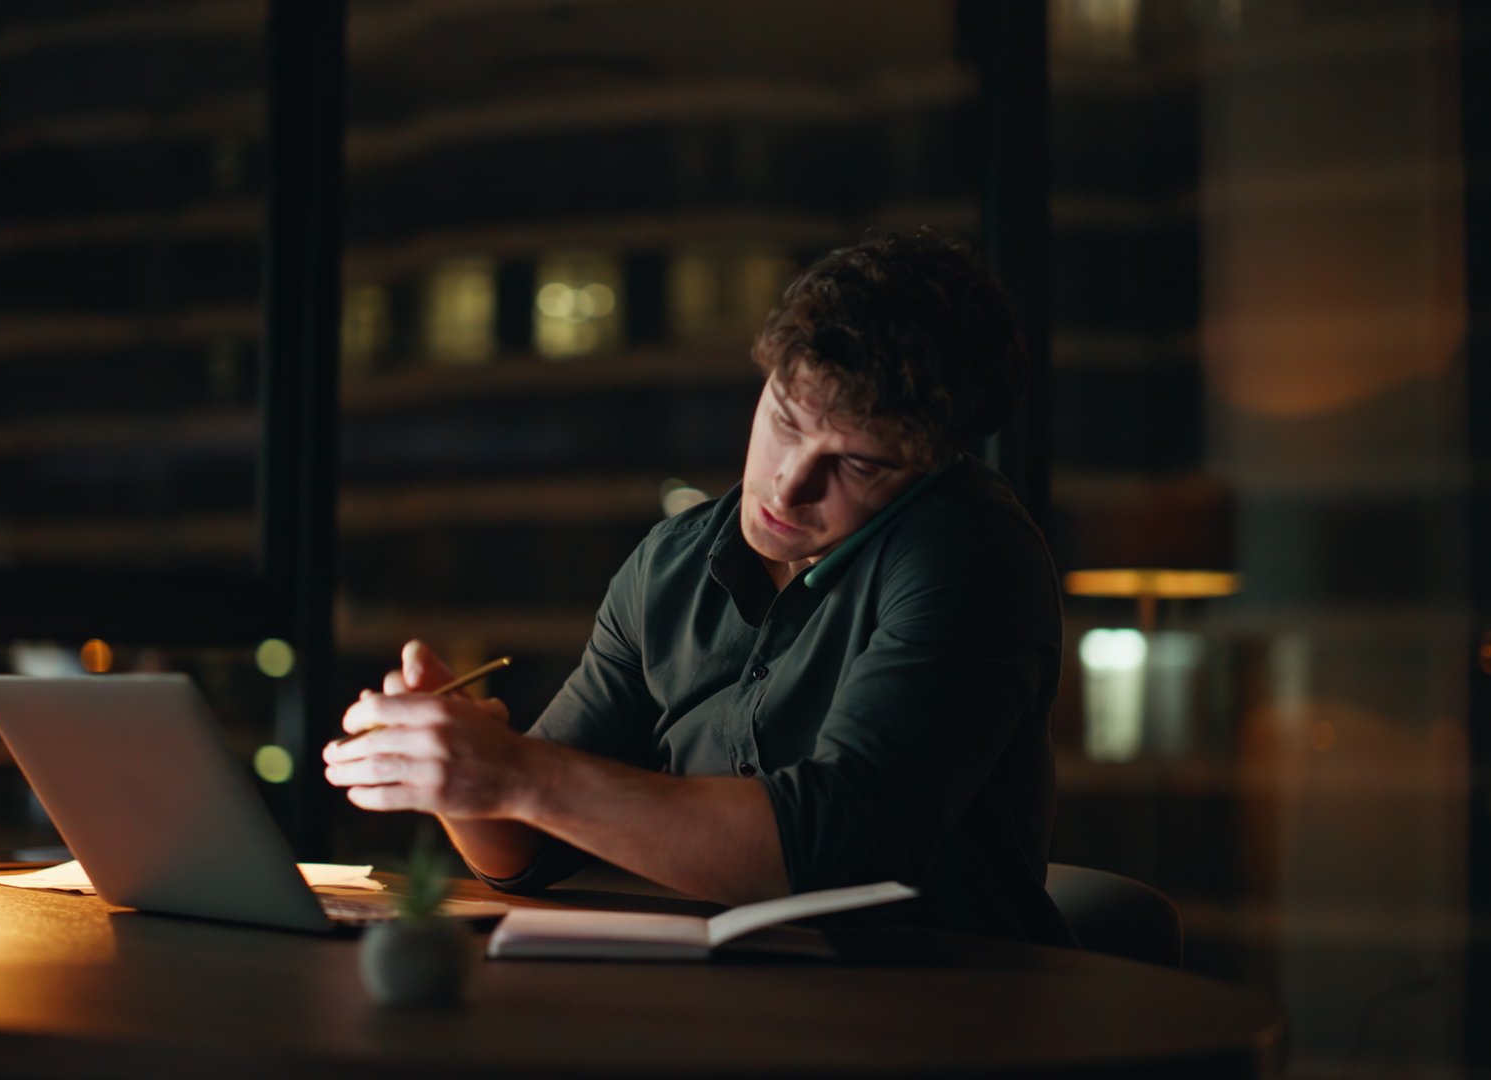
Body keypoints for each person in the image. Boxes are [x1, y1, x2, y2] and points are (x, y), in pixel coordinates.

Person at [324, 229, 1072, 945]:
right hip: (734, 999)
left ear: (933, 466)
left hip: (945, 1009)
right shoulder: (673, 564)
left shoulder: (973, 554)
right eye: (783, 421)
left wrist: (521, 774)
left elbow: (830, 851)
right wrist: (463, 773)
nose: (789, 483)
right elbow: (527, 855)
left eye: (858, 465)